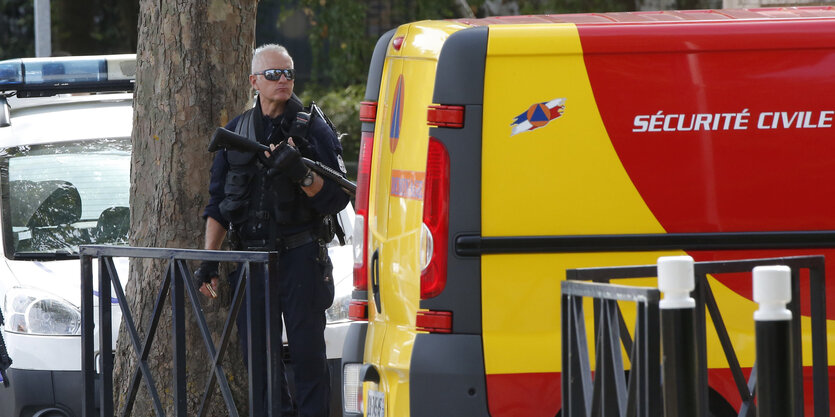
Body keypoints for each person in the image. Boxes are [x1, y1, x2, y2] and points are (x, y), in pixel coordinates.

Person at [195, 43, 350, 417]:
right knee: (259, 363)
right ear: (254, 81)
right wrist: (209, 262)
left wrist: (301, 172)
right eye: (273, 74)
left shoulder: (312, 127)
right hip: (251, 261)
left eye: (288, 74)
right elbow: (218, 203)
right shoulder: (237, 130)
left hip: (300, 257)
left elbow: (338, 197)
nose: (283, 80)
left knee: (308, 356)